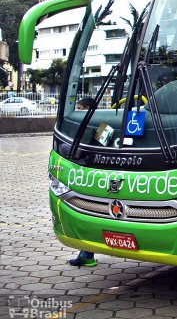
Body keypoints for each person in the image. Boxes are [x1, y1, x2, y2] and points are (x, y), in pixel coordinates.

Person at [69, 94, 99, 267]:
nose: (78, 112)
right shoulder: (99, 124)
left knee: (88, 214)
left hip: (87, 173)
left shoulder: (90, 125)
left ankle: (86, 254)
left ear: (87, 109)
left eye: (80, 109)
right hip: (89, 173)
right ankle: (86, 253)